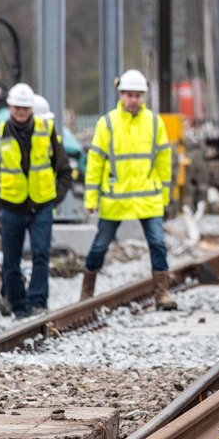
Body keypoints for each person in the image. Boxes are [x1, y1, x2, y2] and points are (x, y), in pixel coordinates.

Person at [80, 69, 176, 310]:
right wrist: (91, 198)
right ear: (120, 95)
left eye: (137, 95)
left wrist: (164, 196)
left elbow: (164, 163)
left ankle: (162, 294)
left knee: (157, 244)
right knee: (100, 245)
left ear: (142, 96)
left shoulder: (154, 123)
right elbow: (95, 164)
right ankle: (86, 293)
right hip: (116, 200)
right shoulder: (108, 124)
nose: (133, 100)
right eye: (129, 95)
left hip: (148, 198)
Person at [0, 83, 73, 318]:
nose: (21, 111)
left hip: (42, 206)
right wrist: (3, 193)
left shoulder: (46, 130)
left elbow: (62, 168)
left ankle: (37, 302)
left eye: (25, 107)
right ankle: (19, 306)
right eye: (17, 107)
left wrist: (53, 198)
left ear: (32, 108)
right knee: (11, 260)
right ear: (10, 107)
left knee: (41, 255)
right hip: (12, 206)